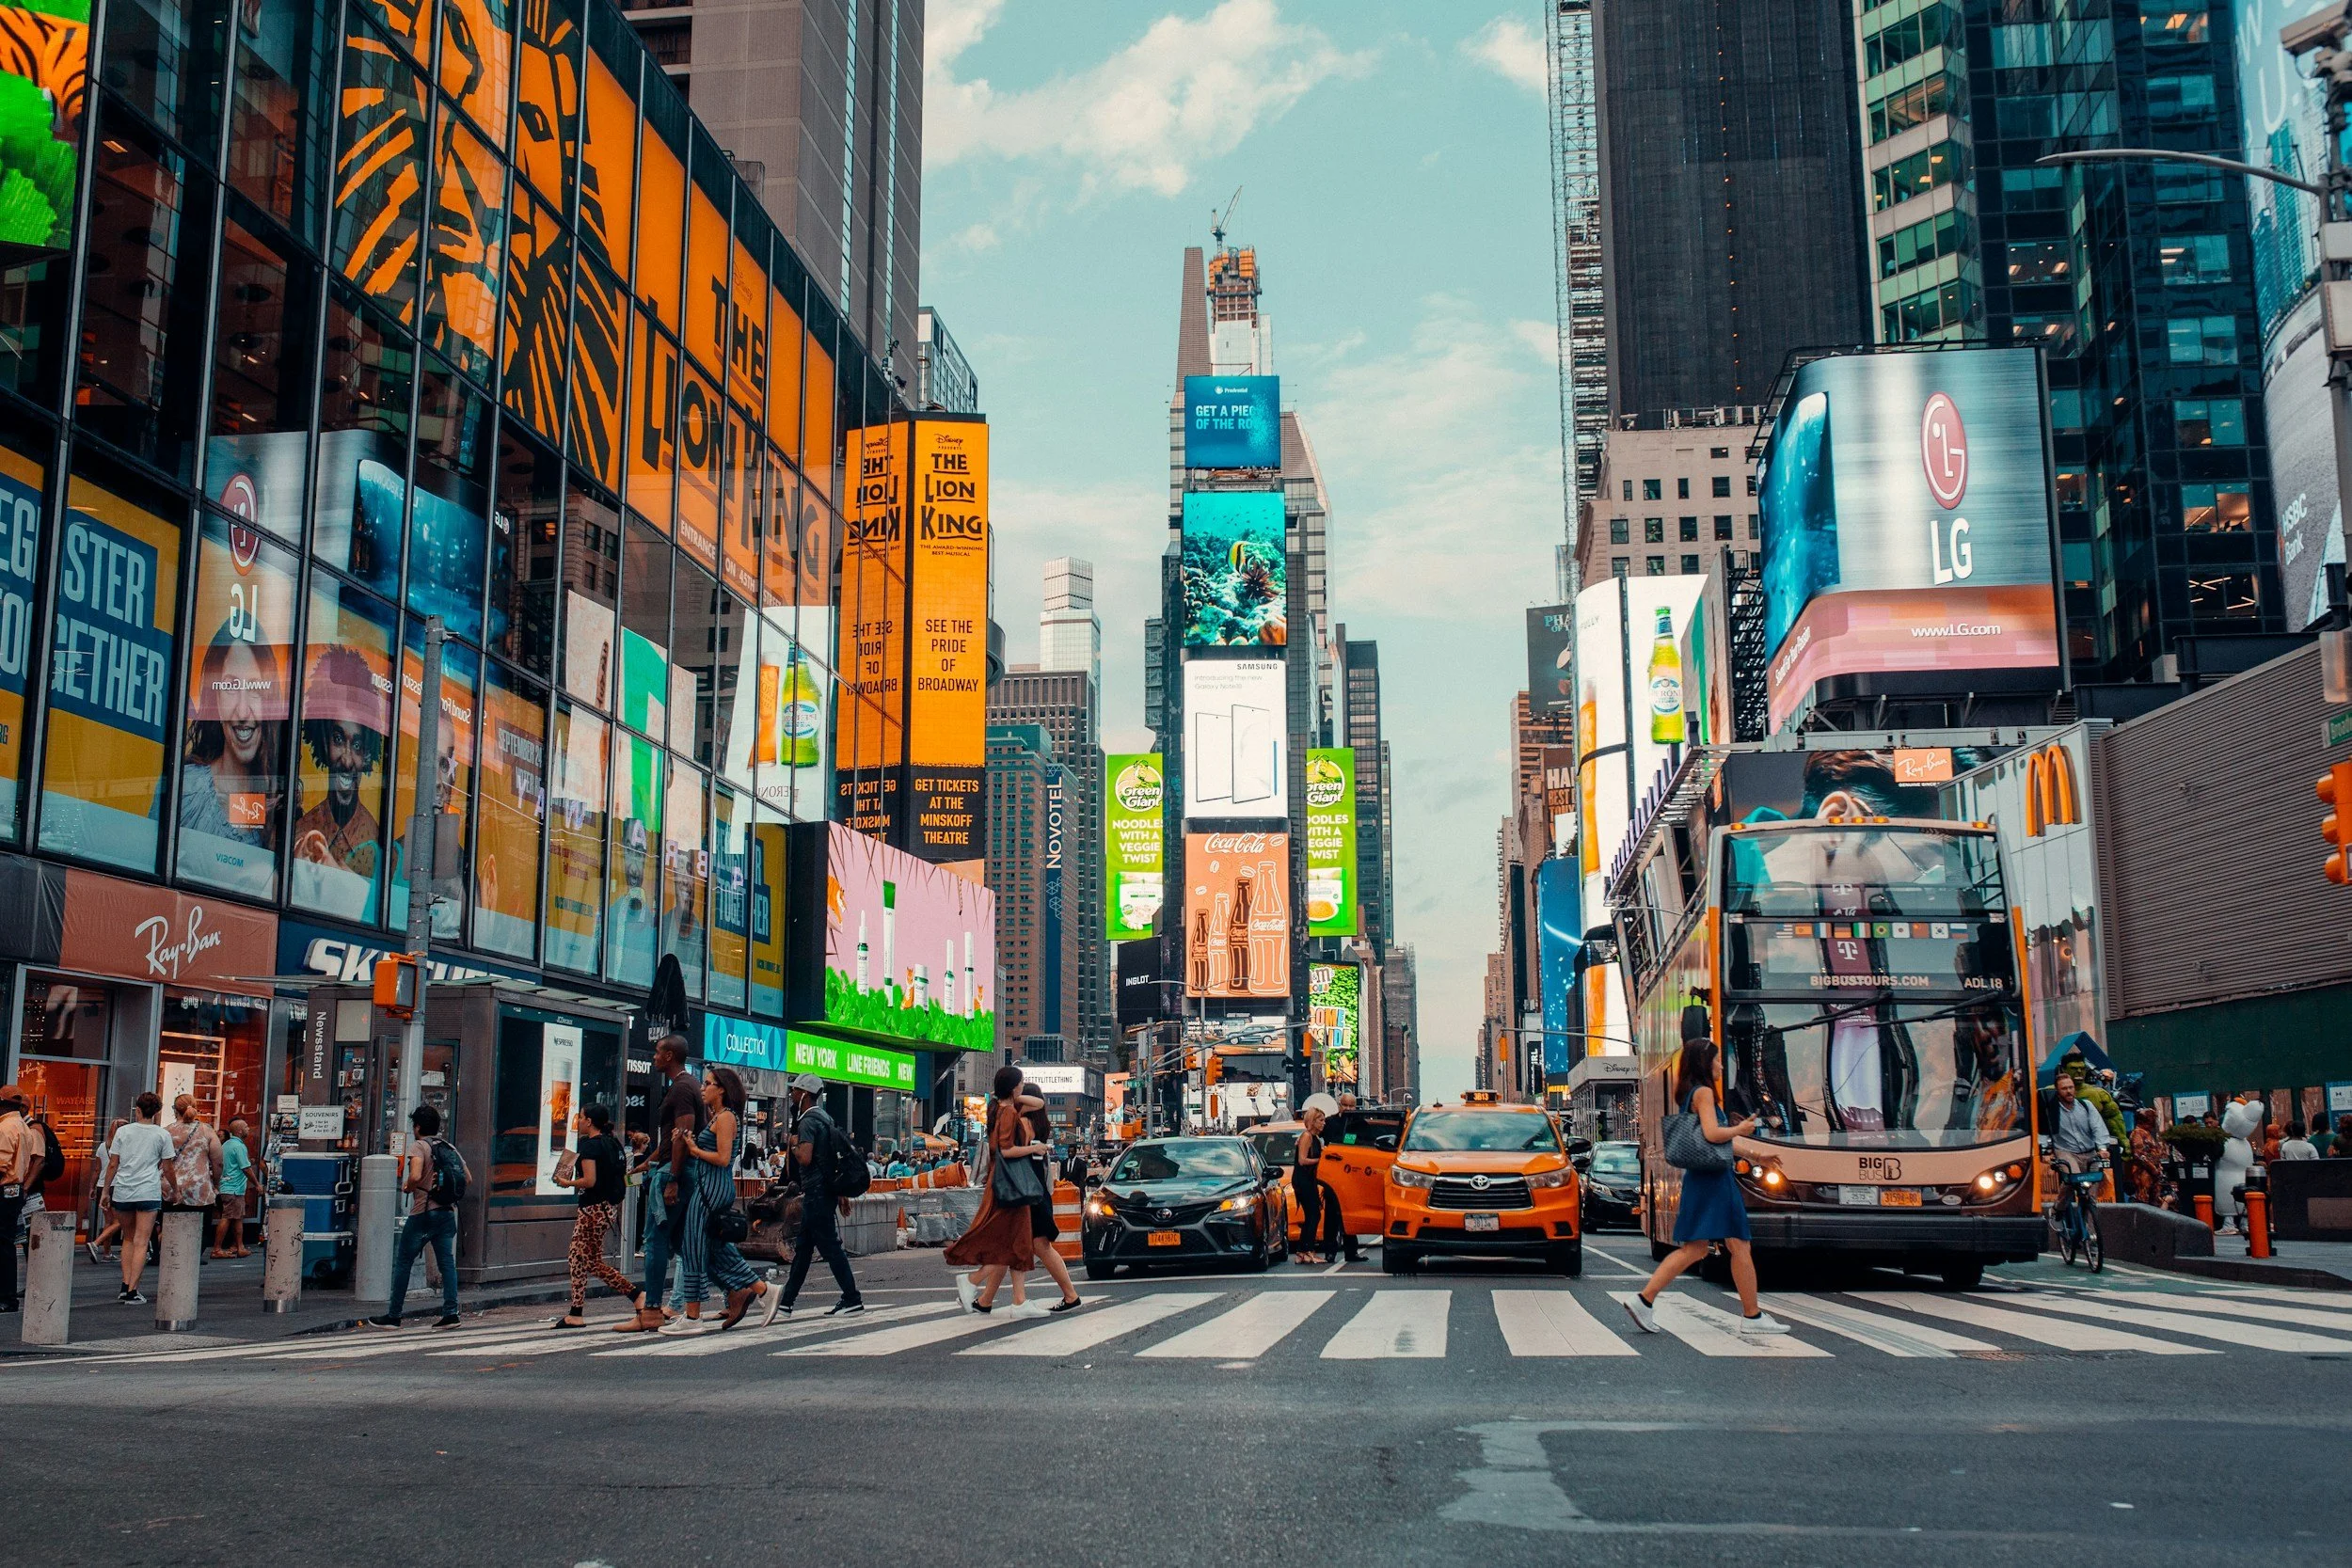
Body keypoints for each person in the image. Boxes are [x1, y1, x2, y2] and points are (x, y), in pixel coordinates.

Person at [1624, 1025, 1789, 1338]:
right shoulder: (1703, 1094)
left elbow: (1712, 1141)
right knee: (1738, 1244)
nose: (1722, 1065)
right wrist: (1740, 1131)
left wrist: (1757, 1156)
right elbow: (1715, 1135)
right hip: (1715, 1181)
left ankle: (1644, 1299)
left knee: (1697, 1248)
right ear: (1705, 1062)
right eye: (1717, 1060)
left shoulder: (1694, 1094)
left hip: (1704, 1179)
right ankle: (1752, 1317)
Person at [660, 1068, 778, 1334]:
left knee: (691, 1247)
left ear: (721, 1089)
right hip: (710, 1187)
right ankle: (760, 1289)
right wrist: (692, 1143)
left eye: (708, 1083)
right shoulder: (719, 1117)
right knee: (715, 1249)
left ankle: (692, 1316)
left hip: (710, 1191)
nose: (703, 1088)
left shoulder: (726, 1118)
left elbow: (723, 1159)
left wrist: (693, 1149)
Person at [614, 1035, 703, 1334]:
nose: (653, 1057)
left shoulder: (681, 1088)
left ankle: (651, 1310)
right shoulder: (685, 1086)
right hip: (669, 1168)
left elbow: (682, 1136)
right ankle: (739, 1291)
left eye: (657, 1052)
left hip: (674, 1173)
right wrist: (649, 1161)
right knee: (681, 1243)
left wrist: (673, 1178)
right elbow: (671, 1138)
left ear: (669, 1056)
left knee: (655, 1242)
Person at [945, 1066, 1040, 1313]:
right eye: (1020, 1082)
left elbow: (1038, 1103)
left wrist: (1014, 1094)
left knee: (1016, 1242)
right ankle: (972, 1281)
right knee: (1009, 1241)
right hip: (1010, 1185)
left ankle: (1019, 1300)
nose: (1023, 1086)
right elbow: (1006, 1150)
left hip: (1004, 1183)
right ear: (1013, 1086)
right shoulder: (1007, 1113)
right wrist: (1034, 1149)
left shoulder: (1002, 1108)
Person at [773, 1072, 863, 1319]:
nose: (792, 1094)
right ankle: (786, 1303)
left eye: (795, 1090)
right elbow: (831, 1161)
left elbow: (805, 1157)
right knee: (803, 1250)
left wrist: (792, 1142)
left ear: (804, 1094)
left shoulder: (807, 1122)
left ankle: (852, 1298)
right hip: (824, 1193)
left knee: (831, 1248)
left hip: (816, 1194)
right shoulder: (826, 1119)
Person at [367, 1103, 463, 1329]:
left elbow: (417, 1174)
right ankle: (451, 1313)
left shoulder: (419, 1146)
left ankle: (394, 1315)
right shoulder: (449, 1147)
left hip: (423, 1212)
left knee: (403, 1263)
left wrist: (409, 1186)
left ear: (417, 1127)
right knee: (447, 1263)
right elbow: (466, 1178)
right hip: (447, 1212)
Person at [550, 1103, 638, 1327]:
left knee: (590, 1261)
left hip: (593, 1209)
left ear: (589, 1121)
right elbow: (620, 1176)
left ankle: (636, 1294)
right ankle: (576, 1311)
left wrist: (566, 1182)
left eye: (580, 1117)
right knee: (577, 1257)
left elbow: (590, 1181)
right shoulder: (613, 1143)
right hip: (607, 1208)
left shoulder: (590, 1146)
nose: (578, 1121)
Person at [99, 1094, 175, 1306]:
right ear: (157, 1112)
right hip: (148, 1190)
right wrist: (175, 1189)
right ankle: (133, 1289)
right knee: (142, 1241)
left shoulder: (123, 1132)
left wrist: (106, 1191)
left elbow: (113, 1164)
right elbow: (168, 1167)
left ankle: (125, 1285)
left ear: (138, 1110)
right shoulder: (162, 1134)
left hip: (123, 1189)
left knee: (128, 1238)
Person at [1016, 1096, 1082, 1313]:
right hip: (1037, 1194)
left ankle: (981, 1293)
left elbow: (1012, 1154)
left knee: (1038, 1246)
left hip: (1030, 1195)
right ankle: (1012, 1299)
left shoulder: (1024, 1126)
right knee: (1024, 1246)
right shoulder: (1039, 1128)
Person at [0, 1085, 40, 1313]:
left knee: (3, 1245)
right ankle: (7, 1295)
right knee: (6, 1244)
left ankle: (6, 1297)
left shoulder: (6, 1128)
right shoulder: (23, 1127)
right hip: (14, 1190)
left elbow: (1, 1163)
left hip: (4, 1190)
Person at [165, 1095, 223, 1249]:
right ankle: (192, 1255)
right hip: (199, 1186)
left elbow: (159, 1161)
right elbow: (218, 1162)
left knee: (168, 1224)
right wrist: (216, 1185)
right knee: (200, 1227)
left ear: (175, 1110)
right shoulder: (207, 1131)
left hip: (169, 1187)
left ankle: (168, 1252)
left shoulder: (167, 1131)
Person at [2046, 1070, 2114, 1184]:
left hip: (2090, 1152)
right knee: (2075, 1180)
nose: (2068, 1091)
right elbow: (2043, 1131)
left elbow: (2098, 1127)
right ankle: (2066, 1200)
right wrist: (2046, 1153)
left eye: (2071, 1087)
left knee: (2095, 1182)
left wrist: (2102, 1149)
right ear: (2057, 1092)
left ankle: (2088, 1202)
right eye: (2064, 1089)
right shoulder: (2051, 1111)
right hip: (2066, 1152)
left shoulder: (2086, 1106)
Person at [1293, 1096, 1333, 1265]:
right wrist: (1320, 1160)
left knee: (1312, 1215)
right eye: (1321, 1120)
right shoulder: (1307, 1137)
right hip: (1302, 1180)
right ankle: (1307, 1251)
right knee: (1313, 1215)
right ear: (1313, 1121)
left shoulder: (1316, 1139)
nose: (1324, 1123)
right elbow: (1302, 1160)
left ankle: (1302, 1252)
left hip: (1309, 1180)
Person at [212, 1117, 254, 1258]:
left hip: (227, 1186)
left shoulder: (226, 1145)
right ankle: (217, 1248)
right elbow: (246, 1168)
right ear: (240, 1131)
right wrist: (257, 1184)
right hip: (233, 1188)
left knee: (237, 1217)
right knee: (228, 1217)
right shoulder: (239, 1146)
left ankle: (239, 1246)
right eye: (246, 1127)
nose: (249, 1129)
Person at [2126, 1107, 2167, 1207]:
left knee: (2155, 1199)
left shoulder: (2148, 1133)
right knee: (2143, 1198)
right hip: (2143, 1172)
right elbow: (2139, 1154)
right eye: (2152, 1117)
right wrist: (2152, 1168)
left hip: (2154, 1173)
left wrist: (2158, 1167)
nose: (2154, 1120)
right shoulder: (2137, 1133)